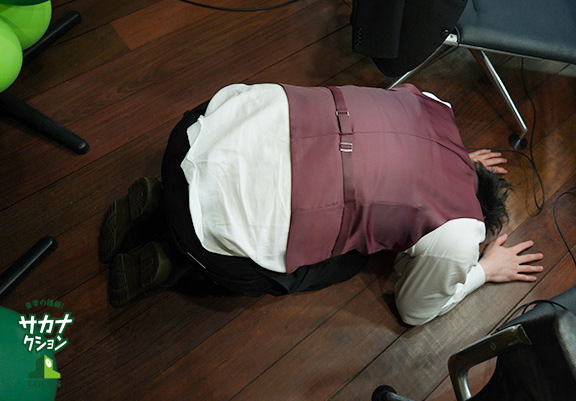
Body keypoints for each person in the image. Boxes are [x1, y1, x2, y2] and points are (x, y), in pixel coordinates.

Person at [100, 83, 543, 326]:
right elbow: (414, 310)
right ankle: (175, 262)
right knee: (351, 260)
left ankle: (161, 199)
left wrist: (459, 158)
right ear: (478, 220)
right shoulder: (461, 232)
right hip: (207, 230)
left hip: (198, 128)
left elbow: (395, 152)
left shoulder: (431, 105)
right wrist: (483, 269)